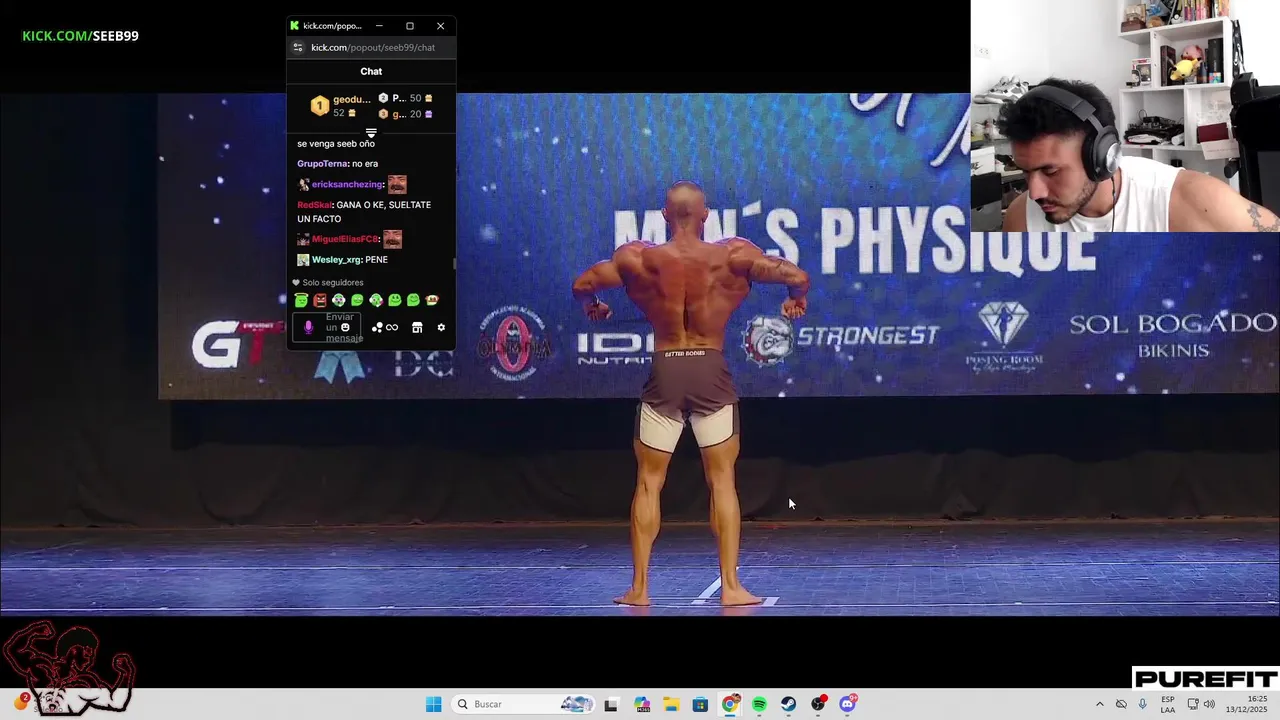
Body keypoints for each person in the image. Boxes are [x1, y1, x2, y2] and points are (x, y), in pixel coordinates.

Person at [570, 180, 810, 607]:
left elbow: (582, 283)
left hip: (666, 371)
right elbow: (797, 276)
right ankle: (731, 588)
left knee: (648, 483)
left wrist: (593, 307)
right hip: (709, 371)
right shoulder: (732, 255)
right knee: (722, 481)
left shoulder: (637, 258)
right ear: (706, 215)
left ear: (664, 216)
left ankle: (639, 589)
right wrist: (796, 300)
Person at [998, 78, 1280, 233]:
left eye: (1050, 171)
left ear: (1102, 157)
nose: (1034, 192)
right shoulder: (1021, 218)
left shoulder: (1191, 200)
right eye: (1025, 171)